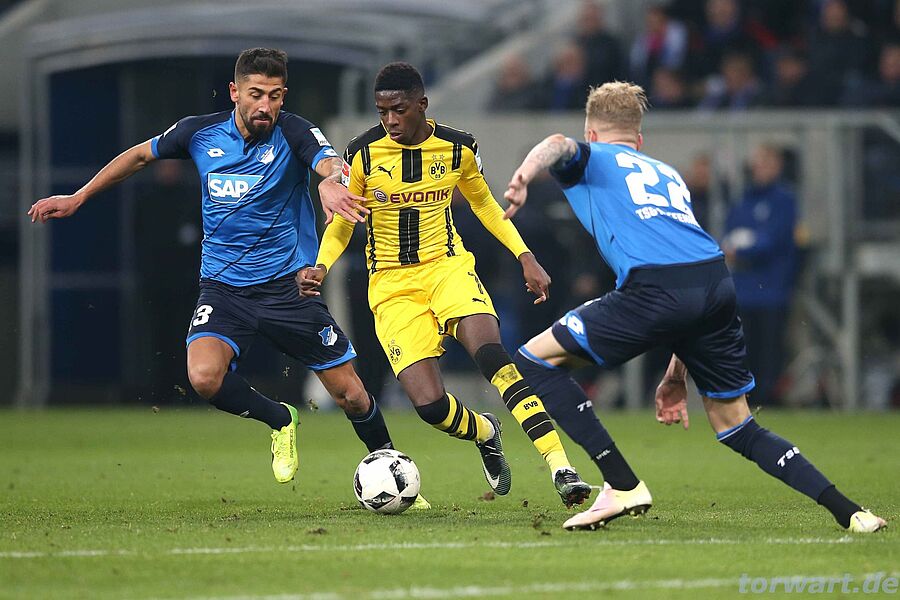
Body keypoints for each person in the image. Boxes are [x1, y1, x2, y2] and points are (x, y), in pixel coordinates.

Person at [28, 49, 423, 502]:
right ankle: (280, 419)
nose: (265, 106)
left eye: (274, 96)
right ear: (235, 92)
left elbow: (328, 162)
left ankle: (395, 473)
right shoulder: (198, 133)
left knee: (351, 395)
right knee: (203, 377)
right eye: (256, 94)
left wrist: (331, 182)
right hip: (224, 290)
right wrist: (78, 197)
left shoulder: (294, 131)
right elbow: (138, 156)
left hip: (289, 289)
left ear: (284, 96)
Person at [502, 81, 886, 533]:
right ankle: (852, 512)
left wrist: (525, 174)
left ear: (591, 133)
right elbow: (686, 280)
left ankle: (622, 484)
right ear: (639, 139)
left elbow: (556, 144)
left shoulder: (593, 157)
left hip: (654, 286)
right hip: (715, 282)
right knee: (738, 426)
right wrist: (676, 373)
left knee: (534, 360)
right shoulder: (667, 173)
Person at [299, 62, 591, 507]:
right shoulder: (361, 154)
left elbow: (485, 206)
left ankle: (561, 467)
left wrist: (525, 255)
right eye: (382, 112)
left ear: (422, 104)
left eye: (399, 110)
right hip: (392, 285)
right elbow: (343, 220)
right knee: (430, 406)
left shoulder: (458, 148)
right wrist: (321, 266)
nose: (390, 120)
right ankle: (486, 431)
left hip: (447, 267)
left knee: (493, 356)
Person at [722, 144, 798, 406]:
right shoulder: (743, 199)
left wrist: (744, 248)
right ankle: (748, 397)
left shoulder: (784, 200)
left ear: (777, 166)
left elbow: (774, 239)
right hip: (743, 288)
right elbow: (729, 233)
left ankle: (771, 398)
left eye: (766, 163)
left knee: (771, 348)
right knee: (746, 346)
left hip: (772, 288)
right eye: (758, 163)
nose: (760, 169)